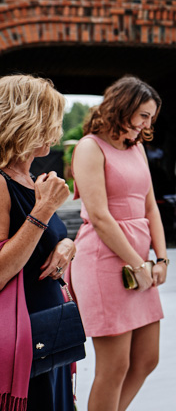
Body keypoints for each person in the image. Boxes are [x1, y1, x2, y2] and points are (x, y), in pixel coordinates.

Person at [69, 76, 168, 411]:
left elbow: (150, 205)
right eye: (143, 115)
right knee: (114, 367)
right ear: (122, 107)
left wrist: (161, 259)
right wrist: (138, 263)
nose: (147, 124)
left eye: (151, 117)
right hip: (103, 260)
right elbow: (99, 215)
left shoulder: (136, 148)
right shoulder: (89, 147)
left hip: (138, 261)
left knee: (146, 359)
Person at [0, 75, 75, 411]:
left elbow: (42, 243)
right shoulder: (1, 182)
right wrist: (44, 208)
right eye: (51, 117)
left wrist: (67, 246)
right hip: (18, 339)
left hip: (47, 329)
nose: (56, 127)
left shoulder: (31, 179)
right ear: (26, 120)